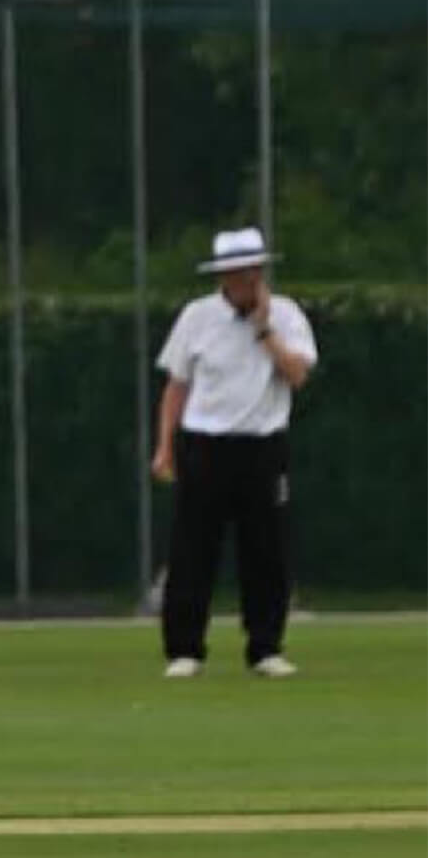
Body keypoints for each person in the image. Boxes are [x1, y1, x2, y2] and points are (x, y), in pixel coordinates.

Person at [151, 226, 317, 679]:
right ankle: (184, 650)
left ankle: (265, 648)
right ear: (223, 277)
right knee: (192, 550)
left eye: (254, 272)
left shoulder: (285, 315)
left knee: (267, 551)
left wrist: (264, 331)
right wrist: (165, 446)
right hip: (205, 445)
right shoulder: (196, 317)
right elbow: (177, 386)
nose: (248, 281)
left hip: (263, 446)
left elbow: (297, 374)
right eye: (239, 274)